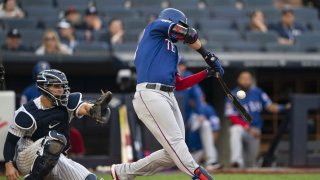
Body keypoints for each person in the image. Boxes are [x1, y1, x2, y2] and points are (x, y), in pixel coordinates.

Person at [111, 8, 224, 180]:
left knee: (173, 152)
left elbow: (179, 83)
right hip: (150, 93)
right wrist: (206, 54)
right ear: (171, 20)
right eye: (179, 23)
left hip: (167, 95)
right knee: (177, 144)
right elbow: (189, 34)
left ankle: (124, 172)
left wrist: (207, 73)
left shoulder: (171, 50)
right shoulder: (154, 27)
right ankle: (199, 175)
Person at [3, 69, 112, 180]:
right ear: (44, 87)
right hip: (27, 157)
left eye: (62, 86)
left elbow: (84, 107)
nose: (61, 90)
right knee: (55, 140)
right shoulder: (27, 112)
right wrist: (9, 165)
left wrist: (93, 110)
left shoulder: (67, 102)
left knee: (90, 178)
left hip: (56, 158)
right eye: (56, 86)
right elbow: (10, 142)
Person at [225, 70, 289, 168]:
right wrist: (247, 128)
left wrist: (284, 107)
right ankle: (236, 161)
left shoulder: (258, 92)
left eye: (248, 79)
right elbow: (232, 116)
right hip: (243, 128)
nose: (246, 81)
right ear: (238, 80)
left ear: (251, 80)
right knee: (235, 130)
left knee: (251, 163)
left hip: (255, 130)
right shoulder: (232, 94)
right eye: (243, 78)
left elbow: (270, 106)